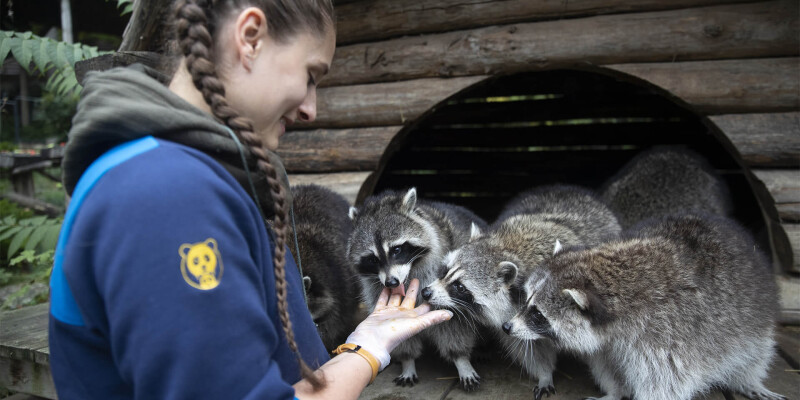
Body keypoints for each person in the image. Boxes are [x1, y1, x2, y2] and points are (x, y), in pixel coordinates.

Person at [47, 0, 453, 399]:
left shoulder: (169, 170)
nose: (312, 109)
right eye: (311, 76)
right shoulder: (167, 194)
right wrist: (367, 354)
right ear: (250, 37)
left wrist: (365, 342)